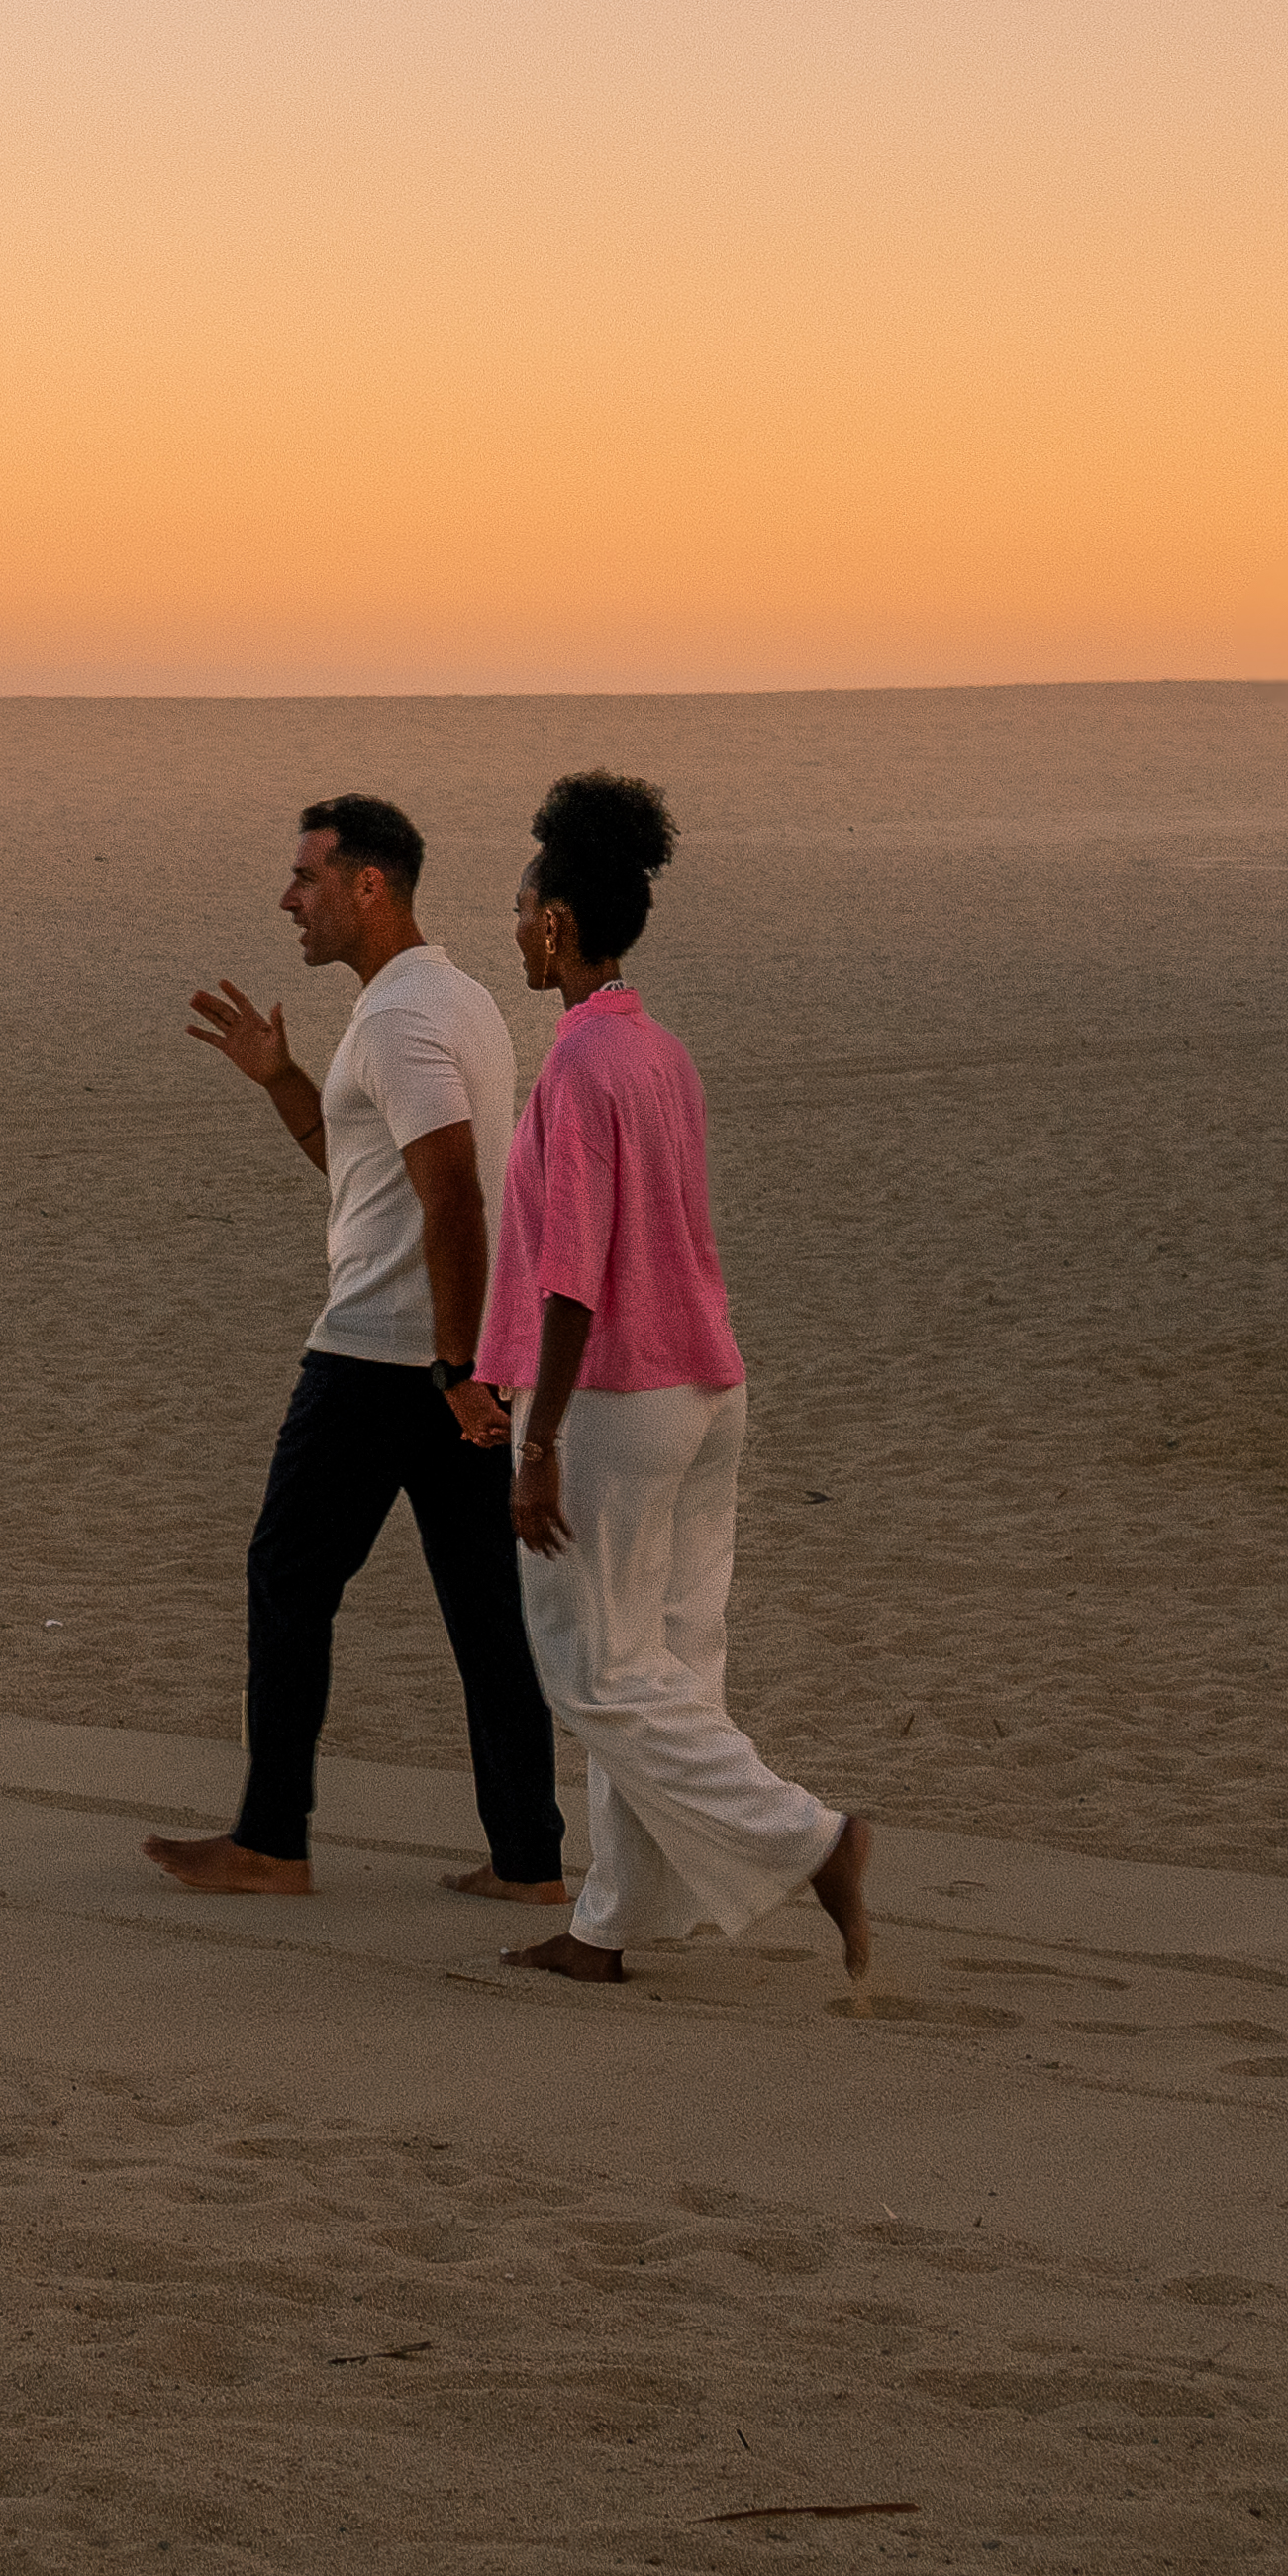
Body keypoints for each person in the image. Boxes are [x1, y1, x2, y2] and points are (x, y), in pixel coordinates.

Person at [142, 794, 572, 1905]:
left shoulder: (399, 1020)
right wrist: (283, 1082)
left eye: (307, 878)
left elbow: (454, 1199)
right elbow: (375, 1187)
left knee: (286, 1579)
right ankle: (527, 1859)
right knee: (485, 1617)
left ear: (367, 886)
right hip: (442, 1361)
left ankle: (271, 1844)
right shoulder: (451, 1000)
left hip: (384, 1363)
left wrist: (450, 1367)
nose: (289, 899)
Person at [480, 771, 871, 1988]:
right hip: (707, 1390)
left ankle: (812, 1842)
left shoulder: (579, 1070)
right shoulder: (657, 1053)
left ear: (555, 923)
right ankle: (612, 1925)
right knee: (665, 1658)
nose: (511, 922)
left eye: (519, 903)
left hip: (615, 1402)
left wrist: (535, 1442)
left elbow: (572, 1279)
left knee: (594, 1671)